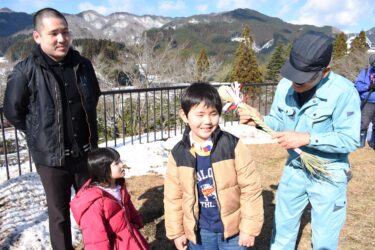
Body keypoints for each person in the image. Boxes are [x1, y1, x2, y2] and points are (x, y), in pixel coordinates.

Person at [239, 31, 361, 250]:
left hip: (329, 173)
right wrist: (259, 120)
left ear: (324, 72)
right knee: (282, 230)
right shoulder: (285, 87)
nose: (295, 82)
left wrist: (306, 138)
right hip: (295, 168)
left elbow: (349, 139)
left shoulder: (344, 92)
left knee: (324, 238)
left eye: (303, 78)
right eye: (293, 74)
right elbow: (278, 120)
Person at [3, 8, 101, 250]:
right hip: (50, 159)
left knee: (92, 208)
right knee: (59, 216)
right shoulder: (25, 71)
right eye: (54, 33)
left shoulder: (82, 65)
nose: (61, 39)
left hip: (85, 153)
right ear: (37, 36)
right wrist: (38, 134)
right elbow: (13, 111)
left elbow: (93, 97)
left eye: (65, 32)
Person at [164, 82, 264, 250]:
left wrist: (249, 229)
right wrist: (177, 232)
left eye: (213, 114)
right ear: (184, 115)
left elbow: (251, 189)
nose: (207, 121)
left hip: (234, 231)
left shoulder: (233, 146)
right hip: (199, 233)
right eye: (200, 114)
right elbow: (173, 198)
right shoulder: (178, 154)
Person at [70, 147, 149, 250]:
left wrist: (135, 222)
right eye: (116, 163)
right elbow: (96, 241)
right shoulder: (94, 203)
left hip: (130, 239)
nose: (122, 164)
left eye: (120, 160)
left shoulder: (118, 186)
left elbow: (128, 205)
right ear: (104, 170)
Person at [355, 54, 375, 148]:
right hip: (368, 102)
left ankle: (373, 143)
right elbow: (357, 86)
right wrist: (368, 87)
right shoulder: (365, 72)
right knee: (363, 123)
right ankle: (360, 144)